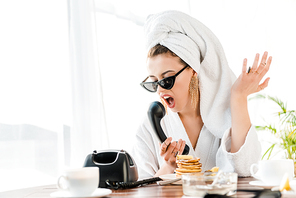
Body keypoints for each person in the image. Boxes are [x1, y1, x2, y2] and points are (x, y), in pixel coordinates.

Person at [131, 10, 272, 179]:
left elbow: (246, 168)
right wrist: (168, 168)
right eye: (153, 82)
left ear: (192, 71)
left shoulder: (223, 118)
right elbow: (139, 191)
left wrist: (238, 96)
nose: (160, 90)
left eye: (167, 79)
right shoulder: (149, 127)